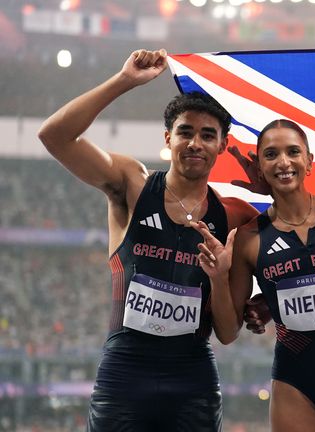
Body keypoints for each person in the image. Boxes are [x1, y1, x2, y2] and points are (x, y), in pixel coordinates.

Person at [38, 49, 259, 430]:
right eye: (186, 132)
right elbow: (54, 135)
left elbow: (226, 333)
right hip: (125, 374)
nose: (195, 143)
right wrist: (124, 80)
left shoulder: (235, 216)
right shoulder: (132, 184)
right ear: (168, 137)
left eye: (208, 135)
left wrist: (230, 283)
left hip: (193, 379)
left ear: (222, 145)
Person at [193, 119, 315, 432]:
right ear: (260, 167)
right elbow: (229, 332)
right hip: (294, 386)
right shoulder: (249, 238)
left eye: (293, 152)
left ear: (309, 161)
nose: (284, 162)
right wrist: (218, 277)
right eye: (271, 155)